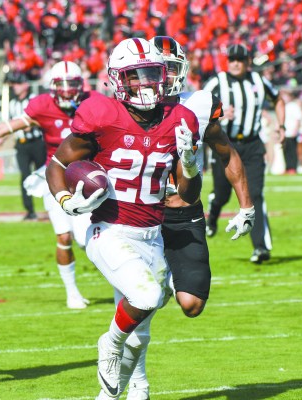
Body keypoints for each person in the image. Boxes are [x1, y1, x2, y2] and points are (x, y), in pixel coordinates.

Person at [45, 37, 202, 399]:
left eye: (151, 73)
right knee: (145, 297)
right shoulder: (102, 115)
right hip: (110, 231)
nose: (145, 83)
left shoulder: (181, 118)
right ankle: (109, 344)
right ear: (119, 79)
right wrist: (66, 200)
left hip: (153, 235)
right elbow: (57, 163)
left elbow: (188, 196)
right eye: (135, 76)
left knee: (142, 332)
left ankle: (113, 395)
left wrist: (191, 167)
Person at [113, 35, 255, 400]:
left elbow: (227, 153)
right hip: (137, 217)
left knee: (191, 304)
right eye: (154, 71)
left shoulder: (199, 105)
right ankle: (138, 386)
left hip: (182, 212)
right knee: (140, 311)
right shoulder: (126, 106)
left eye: (170, 70)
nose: (160, 80)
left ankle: (167, 281)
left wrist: (246, 207)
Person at [0, 61, 93, 309]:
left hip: (85, 179)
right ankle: (72, 292)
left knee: (88, 240)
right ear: (52, 87)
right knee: (63, 237)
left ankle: (126, 284)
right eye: (61, 85)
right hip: (54, 178)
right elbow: (7, 127)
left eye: (72, 84)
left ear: (80, 85)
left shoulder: (93, 102)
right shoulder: (42, 105)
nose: (66, 91)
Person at [203, 43, 285, 264]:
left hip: (252, 145)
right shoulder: (217, 82)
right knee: (222, 194)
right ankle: (213, 210)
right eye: (232, 59)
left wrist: (281, 126)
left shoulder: (258, 81)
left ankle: (261, 247)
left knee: (255, 194)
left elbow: (278, 99)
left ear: (248, 62)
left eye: (240, 59)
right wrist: (218, 116)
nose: (236, 63)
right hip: (224, 146)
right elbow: (196, 111)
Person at [4, 72, 46, 220]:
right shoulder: (12, 103)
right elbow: (11, 124)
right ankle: (30, 211)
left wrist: (31, 125)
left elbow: (42, 118)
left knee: (46, 175)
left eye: (17, 83)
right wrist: (4, 137)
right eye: (13, 84)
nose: (14, 87)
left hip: (37, 143)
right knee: (24, 177)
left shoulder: (34, 100)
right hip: (21, 145)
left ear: (25, 85)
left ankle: (54, 207)